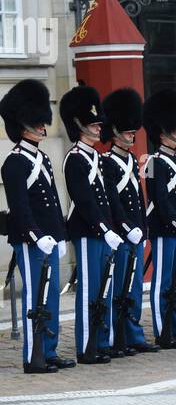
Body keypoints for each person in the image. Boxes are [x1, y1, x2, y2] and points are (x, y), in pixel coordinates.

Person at [0, 79, 72, 373]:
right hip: (31, 241)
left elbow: (53, 203)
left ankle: (49, 349)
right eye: (38, 122)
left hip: (48, 239)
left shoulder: (41, 157)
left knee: (51, 293)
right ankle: (34, 355)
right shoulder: (15, 162)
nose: (43, 127)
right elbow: (20, 208)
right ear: (24, 125)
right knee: (36, 295)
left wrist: (60, 236)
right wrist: (36, 236)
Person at [60, 84, 122, 365]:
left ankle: (103, 340)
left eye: (99, 124)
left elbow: (108, 196)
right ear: (78, 125)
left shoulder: (96, 157)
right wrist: (103, 228)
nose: (99, 128)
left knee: (104, 288)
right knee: (90, 287)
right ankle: (87, 345)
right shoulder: (75, 158)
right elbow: (83, 201)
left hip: (103, 231)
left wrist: (113, 227)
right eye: (93, 124)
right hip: (87, 231)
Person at [100, 87, 157, 355]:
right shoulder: (107, 161)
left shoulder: (133, 160)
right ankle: (118, 334)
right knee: (119, 287)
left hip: (135, 230)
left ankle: (133, 333)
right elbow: (112, 200)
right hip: (122, 233)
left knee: (133, 286)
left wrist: (142, 226)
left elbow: (137, 195)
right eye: (127, 131)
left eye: (133, 131)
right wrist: (126, 228)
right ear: (114, 132)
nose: (132, 135)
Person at [143, 88, 176, 349]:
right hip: (164, 229)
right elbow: (160, 199)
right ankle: (163, 329)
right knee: (163, 281)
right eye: (172, 129)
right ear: (160, 132)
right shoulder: (153, 162)